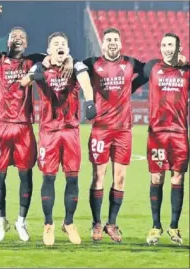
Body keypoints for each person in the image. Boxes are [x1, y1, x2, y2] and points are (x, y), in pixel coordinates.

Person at [0, 5, 73, 242]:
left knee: (26, 176)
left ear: (26, 44)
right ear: (7, 42)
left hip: (24, 127)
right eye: (13, 36)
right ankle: (1, 222)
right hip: (0, 127)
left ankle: (21, 221)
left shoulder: (33, 61)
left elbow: (56, 57)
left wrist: (67, 60)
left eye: (22, 37)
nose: (17, 39)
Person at [20, 32, 96, 246]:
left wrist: (89, 101)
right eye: (56, 44)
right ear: (49, 49)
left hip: (71, 131)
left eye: (63, 43)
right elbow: (23, 82)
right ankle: (48, 224)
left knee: (72, 179)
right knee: (49, 179)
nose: (60, 46)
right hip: (48, 132)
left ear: (68, 50)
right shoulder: (41, 68)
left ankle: (69, 223)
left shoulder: (76, 66)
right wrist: (38, 70)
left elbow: (85, 82)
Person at [80, 28, 149, 243]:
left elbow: (149, 71)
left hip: (123, 130)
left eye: (115, 40)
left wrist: (131, 87)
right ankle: (96, 223)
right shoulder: (92, 63)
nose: (112, 43)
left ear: (120, 43)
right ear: (102, 44)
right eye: (108, 39)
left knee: (120, 178)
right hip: (100, 128)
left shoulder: (130, 63)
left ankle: (112, 223)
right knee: (98, 176)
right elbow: (77, 68)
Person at [142, 33, 189, 246]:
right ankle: (155, 226)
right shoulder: (151, 67)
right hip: (157, 134)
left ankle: (174, 226)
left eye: (171, 45)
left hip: (179, 133)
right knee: (156, 179)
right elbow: (130, 77)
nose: (167, 48)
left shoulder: (187, 70)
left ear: (179, 48)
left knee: (177, 179)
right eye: (164, 45)